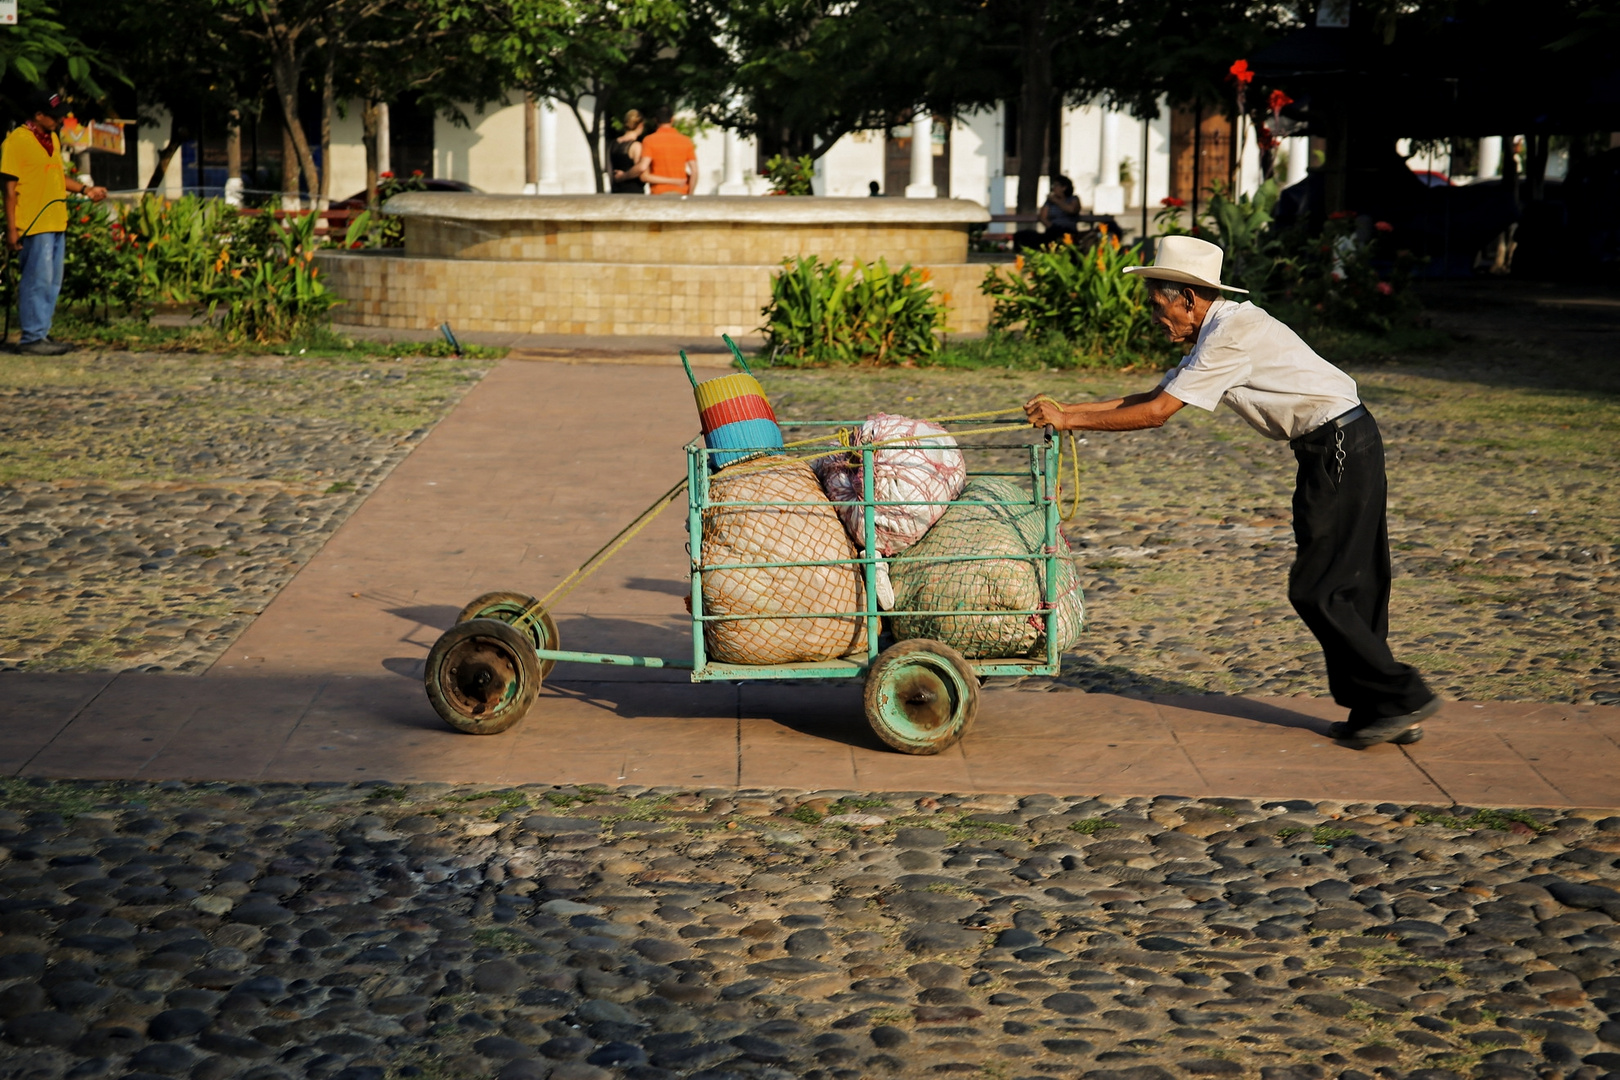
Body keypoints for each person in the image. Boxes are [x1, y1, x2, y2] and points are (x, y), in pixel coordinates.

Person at [1023, 235, 1438, 749]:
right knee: (1354, 582)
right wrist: (1069, 415)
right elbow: (1155, 394)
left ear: (1189, 300)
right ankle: (1381, 709)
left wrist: (1071, 419)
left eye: (1159, 305)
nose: (1156, 317)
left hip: (1337, 446)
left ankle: (1401, 696)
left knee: (1318, 587)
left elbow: (1157, 415)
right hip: (1342, 442)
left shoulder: (1230, 335)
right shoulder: (1219, 330)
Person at [2, 91, 107, 355]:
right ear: (38, 116)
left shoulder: (52, 139)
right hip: (33, 222)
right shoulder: (17, 141)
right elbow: (9, 190)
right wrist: (12, 229)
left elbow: (58, 177)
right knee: (36, 280)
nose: (60, 121)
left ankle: (42, 333)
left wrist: (85, 190)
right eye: (55, 116)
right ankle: (31, 338)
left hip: (57, 220)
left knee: (52, 281)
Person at [638, 105, 697, 196]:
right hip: (681, 192)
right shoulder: (686, 141)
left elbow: (644, 172)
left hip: (658, 193)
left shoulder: (649, 140)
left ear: (655, 120)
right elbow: (694, 171)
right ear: (672, 119)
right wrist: (690, 193)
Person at [1015, 175, 1083, 250]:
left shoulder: (1073, 199)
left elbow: (1072, 210)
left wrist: (1056, 201)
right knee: (1024, 236)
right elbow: (1043, 217)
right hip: (1053, 230)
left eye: (1056, 185)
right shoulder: (1049, 202)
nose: (1053, 188)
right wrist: (1053, 227)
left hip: (1069, 231)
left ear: (1064, 187)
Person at [609, 109, 649, 194]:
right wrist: (624, 176)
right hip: (633, 191)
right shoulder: (636, 146)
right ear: (640, 125)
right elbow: (641, 168)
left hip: (616, 191)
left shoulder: (613, 143)